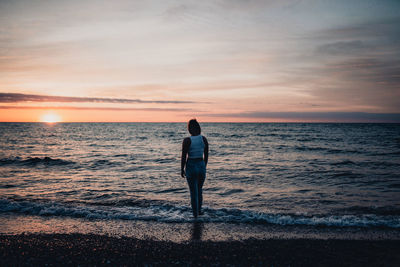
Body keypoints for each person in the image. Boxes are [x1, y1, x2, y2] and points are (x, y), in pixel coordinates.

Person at [181, 119, 209, 218]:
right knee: (199, 190)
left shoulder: (187, 140)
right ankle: (199, 211)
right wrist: (203, 166)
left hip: (191, 165)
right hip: (201, 164)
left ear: (190, 129)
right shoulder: (204, 139)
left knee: (193, 192)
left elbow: (184, 156)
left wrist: (182, 169)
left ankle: (195, 215)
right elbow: (206, 155)